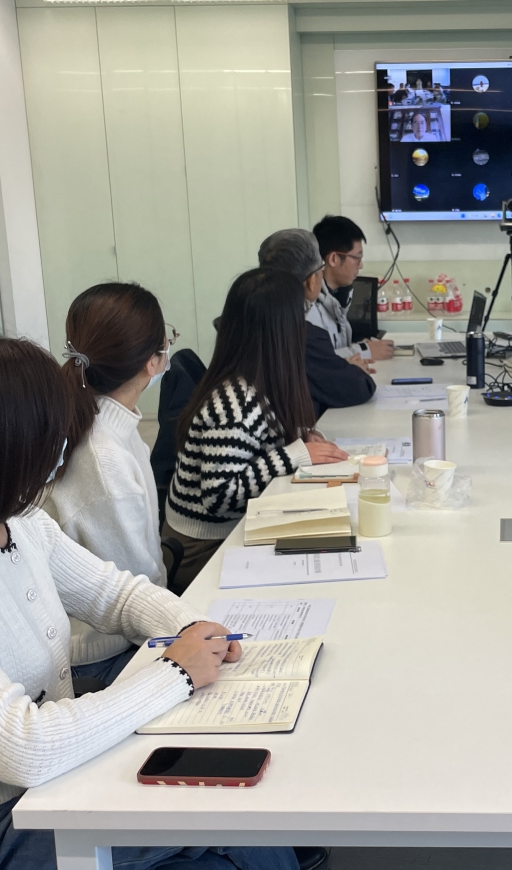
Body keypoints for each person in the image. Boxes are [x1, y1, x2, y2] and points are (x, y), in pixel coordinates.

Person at [0, 327, 303, 870]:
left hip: (54, 778)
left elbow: (115, 594)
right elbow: (22, 747)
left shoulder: (18, 523)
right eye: (47, 435)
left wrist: (192, 627)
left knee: (222, 839)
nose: (61, 447)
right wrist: (176, 673)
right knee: (226, 833)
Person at [163, 267, 347, 591]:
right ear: (282, 332)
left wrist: (297, 436)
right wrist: (294, 455)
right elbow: (218, 497)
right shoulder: (234, 404)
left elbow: (258, 440)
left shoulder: (256, 380)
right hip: (203, 547)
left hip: (231, 529)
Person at [45, 283, 173, 686]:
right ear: (152, 362)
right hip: (102, 655)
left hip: (126, 632)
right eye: (167, 340)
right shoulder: (103, 458)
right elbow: (134, 588)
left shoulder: (109, 425)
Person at [258, 228, 377, 417]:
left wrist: (337, 366)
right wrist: (351, 369)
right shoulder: (302, 334)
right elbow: (359, 387)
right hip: (288, 430)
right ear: (312, 281)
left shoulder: (248, 319)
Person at [312, 214, 394, 363]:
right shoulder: (309, 308)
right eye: (357, 258)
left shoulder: (340, 297)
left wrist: (360, 346)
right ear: (334, 259)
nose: (361, 265)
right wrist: (365, 351)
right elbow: (315, 362)